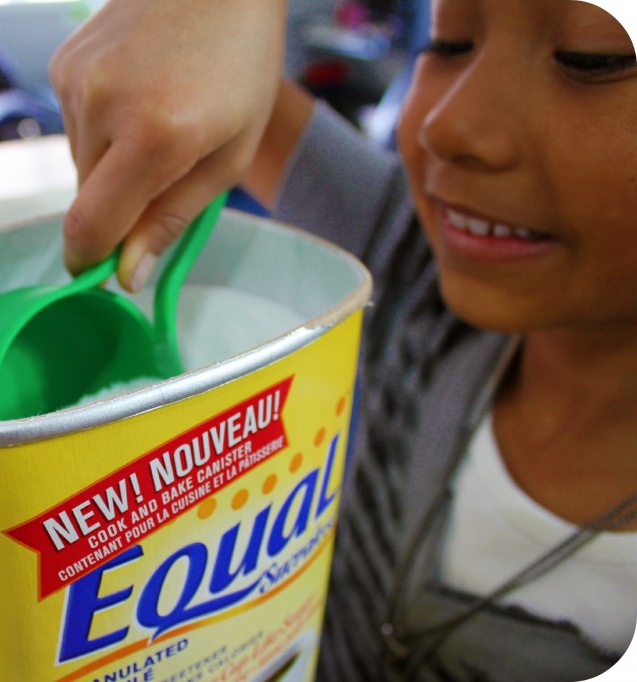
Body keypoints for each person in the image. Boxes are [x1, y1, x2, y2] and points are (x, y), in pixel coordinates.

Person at [48, 0, 637, 680]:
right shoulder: (415, 265)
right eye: (449, 44)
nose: (451, 126)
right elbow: (201, 82)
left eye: (590, 59)